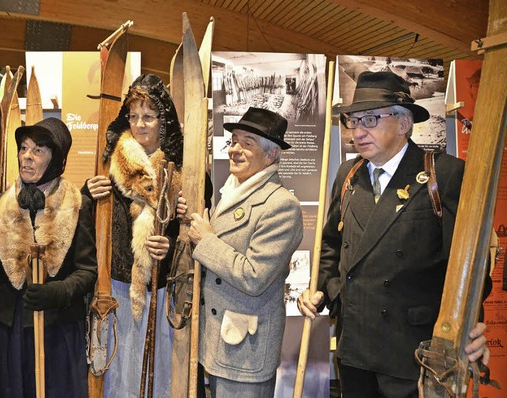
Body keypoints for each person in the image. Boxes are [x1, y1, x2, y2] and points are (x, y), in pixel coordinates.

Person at [297, 71, 491, 397]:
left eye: (370, 119)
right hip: (355, 347)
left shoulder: (442, 174)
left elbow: (471, 262)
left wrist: (469, 324)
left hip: (415, 353)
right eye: (352, 121)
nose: (357, 131)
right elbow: (332, 242)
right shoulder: (349, 175)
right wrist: (325, 288)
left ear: (404, 124)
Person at [183, 106, 303, 397]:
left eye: (247, 143)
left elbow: (253, 276)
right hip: (213, 340)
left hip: (245, 349)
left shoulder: (280, 206)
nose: (235, 149)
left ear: (271, 154)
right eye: (234, 141)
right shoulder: (231, 193)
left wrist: (206, 239)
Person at [82, 74, 184, 397]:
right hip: (116, 288)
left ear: (162, 121)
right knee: (120, 373)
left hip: (162, 290)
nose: (140, 124)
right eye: (134, 116)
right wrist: (88, 195)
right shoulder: (111, 165)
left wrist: (171, 242)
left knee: (159, 372)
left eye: (149, 116)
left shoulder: (183, 173)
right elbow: (89, 227)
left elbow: (195, 235)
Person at [0, 118, 97, 397]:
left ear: (56, 158)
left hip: (58, 330)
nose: (27, 157)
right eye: (24, 148)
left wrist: (59, 291)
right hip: (9, 330)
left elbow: (87, 270)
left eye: (38, 150)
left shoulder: (76, 205)